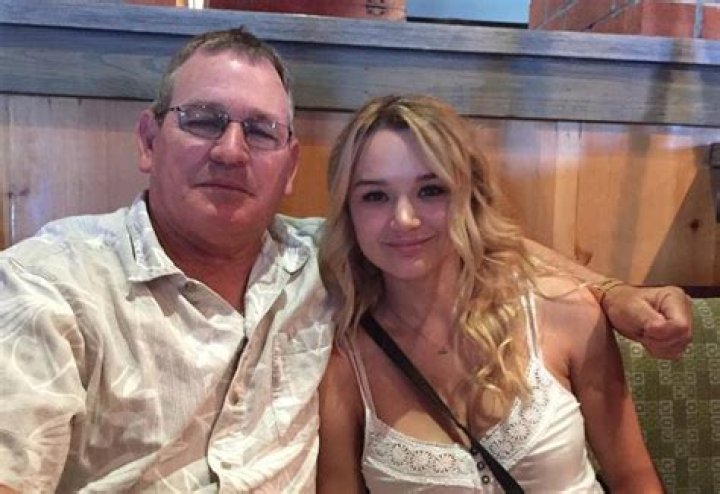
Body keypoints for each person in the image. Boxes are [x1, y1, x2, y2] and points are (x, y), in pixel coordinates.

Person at [0, 28, 687, 493]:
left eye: (260, 130)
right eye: (204, 120)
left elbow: (467, 241)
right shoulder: (52, 286)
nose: (231, 151)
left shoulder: (319, 257)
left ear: (289, 165)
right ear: (149, 141)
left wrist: (613, 291)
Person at [316, 94, 663, 492]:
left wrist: (614, 290)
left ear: (470, 195)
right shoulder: (343, 364)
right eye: (375, 196)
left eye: (431, 190)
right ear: (349, 212)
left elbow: (633, 479)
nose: (405, 219)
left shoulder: (564, 312)